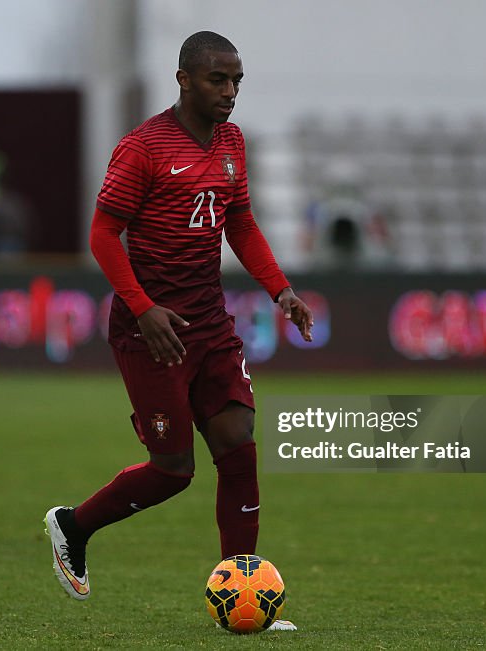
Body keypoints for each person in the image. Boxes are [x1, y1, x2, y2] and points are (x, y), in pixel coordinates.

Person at [45, 32, 312, 631]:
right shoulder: (142, 148)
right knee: (173, 470)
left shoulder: (232, 143)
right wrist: (142, 308)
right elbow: (102, 234)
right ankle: (73, 525)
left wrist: (281, 289)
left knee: (238, 442)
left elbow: (239, 222)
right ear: (184, 79)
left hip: (209, 323)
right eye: (219, 79)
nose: (231, 91)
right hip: (149, 332)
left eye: (238, 79)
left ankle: (245, 601)